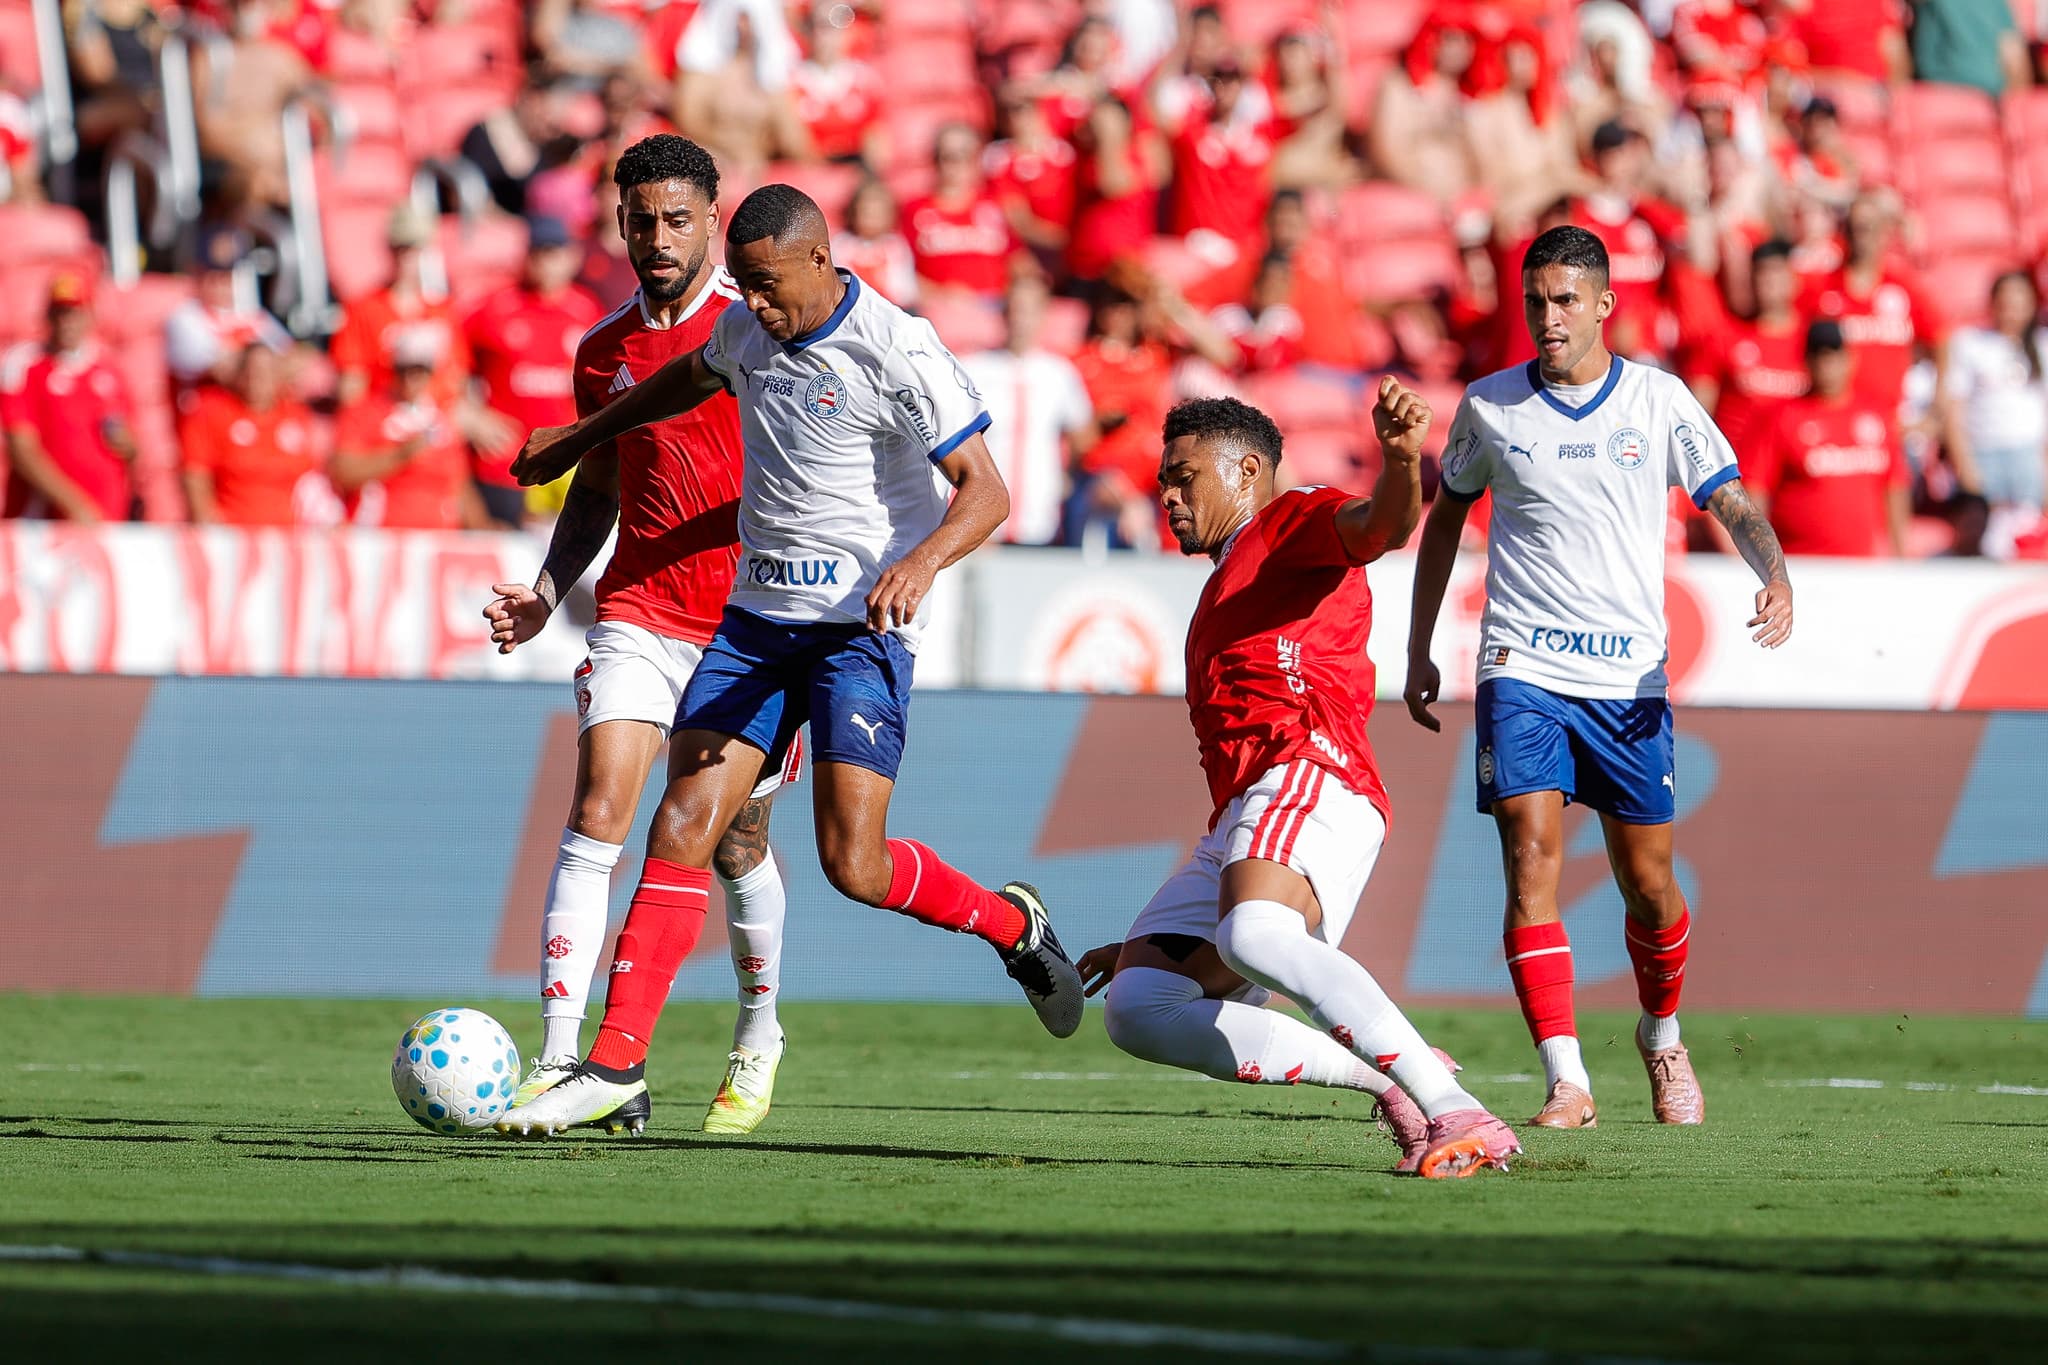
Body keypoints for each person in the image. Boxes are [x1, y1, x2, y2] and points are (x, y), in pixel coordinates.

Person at [495, 182, 1084, 1136]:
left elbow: (986, 492)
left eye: (769, 288)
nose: (756, 309)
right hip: (755, 625)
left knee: (853, 861)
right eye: (746, 290)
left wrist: (920, 563)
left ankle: (1013, 926)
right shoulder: (744, 332)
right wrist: (584, 436)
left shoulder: (899, 349)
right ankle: (611, 1065)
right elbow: (690, 375)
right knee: (683, 820)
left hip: (858, 629)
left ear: (819, 259)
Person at [1404, 226, 1795, 1130]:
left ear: (1606, 304)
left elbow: (1729, 497)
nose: (1549, 317)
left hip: (1628, 681)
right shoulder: (1489, 407)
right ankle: (1567, 1080)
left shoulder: (1658, 402)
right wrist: (1422, 645)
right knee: (1529, 853)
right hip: (1520, 664)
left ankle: (1662, 1037)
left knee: (1647, 882)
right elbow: (1446, 523)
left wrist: (1773, 574)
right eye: (1537, 300)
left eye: (1567, 300)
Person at [1076, 391, 1522, 1180]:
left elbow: (1382, 526)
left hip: (1311, 771)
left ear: (1247, 469)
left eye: (1182, 477)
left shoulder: (1289, 521)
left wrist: (1396, 458)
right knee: (1140, 1007)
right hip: (1247, 809)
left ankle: (1458, 1111)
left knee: (1254, 935)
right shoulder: (1226, 578)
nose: (1167, 497)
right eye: (1163, 480)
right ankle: (1394, 1078)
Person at [481, 136, 800, 1137]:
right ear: (616, 224)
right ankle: (561, 1059)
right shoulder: (602, 351)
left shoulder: (760, 334)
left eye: (676, 219)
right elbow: (602, 490)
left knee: (736, 836)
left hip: (748, 627)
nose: (657, 238)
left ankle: (757, 1035)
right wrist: (543, 590)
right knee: (600, 806)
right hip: (640, 611)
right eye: (639, 219)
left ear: (712, 221)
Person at [462, 216, 605, 528]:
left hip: (563, 469)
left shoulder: (587, 312)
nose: (546, 262)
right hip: (503, 464)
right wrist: (466, 412)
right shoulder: (495, 309)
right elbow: (447, 362)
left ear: (572, 257)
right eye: (538, 251)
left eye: (554, 252)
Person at [1750, 320, 1910, 556]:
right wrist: (1762, 556)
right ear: (1807, 362)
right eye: (1820, 357)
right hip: (1800, 563)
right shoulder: (1784, 417)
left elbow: (1894, 486)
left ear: (1850, 358)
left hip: (1863, 565)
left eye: (1834, 356)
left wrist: (1900, 553)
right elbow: (1756, 489)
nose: (1828, 366)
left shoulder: (1876, 414)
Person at [963, 273, 1098, 546]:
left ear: (1042, 316)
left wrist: (1067, 476)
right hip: (982, 523)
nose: (1020, 319)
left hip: (1040, 519)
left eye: (1029, 310)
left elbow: (1084, 434)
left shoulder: (1058, 373)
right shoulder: (972, 368)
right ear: (1003, 313)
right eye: (1014, 309)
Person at [1, 273, 136, 522]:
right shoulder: (25, 365)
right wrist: (74, 505)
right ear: (48, 316)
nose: (67, 323)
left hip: (104, 519)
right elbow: (22, 450)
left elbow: (129, 443)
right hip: (45, 523)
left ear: (90, 316)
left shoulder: (109, 370)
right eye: (60, 313)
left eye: (74, 313)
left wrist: (129, 446)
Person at [330, 329, 490, 530]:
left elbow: (459, 484)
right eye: (404, 370)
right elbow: (343, 473)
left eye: (419, 372)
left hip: (436, 537)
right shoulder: (365, 412)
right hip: (380, 536)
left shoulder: (443, 418)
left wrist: (483, 528)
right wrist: (400, 455)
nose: (411, 379)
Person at [1942, 271, 2048, 557]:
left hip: (2028, 458)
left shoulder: (2042, 346)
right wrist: (1964, 462)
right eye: (2006, 300)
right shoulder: (1970, 343)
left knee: (2028, 537)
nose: (2012, 309)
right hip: (1985, 454)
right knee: (1987, 542)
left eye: (2019, 301)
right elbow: (1954, 407)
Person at [1684, 239, 1809, 468]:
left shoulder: (1811, 344)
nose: (1769, 281)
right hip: (1734, 477)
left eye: (1777, 272)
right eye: (1762, 273)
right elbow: (1695, 421)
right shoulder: (1724, 338)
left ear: (1795, 279)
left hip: (1791, 478)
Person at [180, 340, 333, 526]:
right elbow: (196, 473)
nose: (257, 379)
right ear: (240, 375)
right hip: (234, 531)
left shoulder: (297, 416)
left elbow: (311, 481)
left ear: (278, 375)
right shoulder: (212, 412)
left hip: (288, 534)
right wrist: (208, 523)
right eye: (251, 371)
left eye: (265, 372)